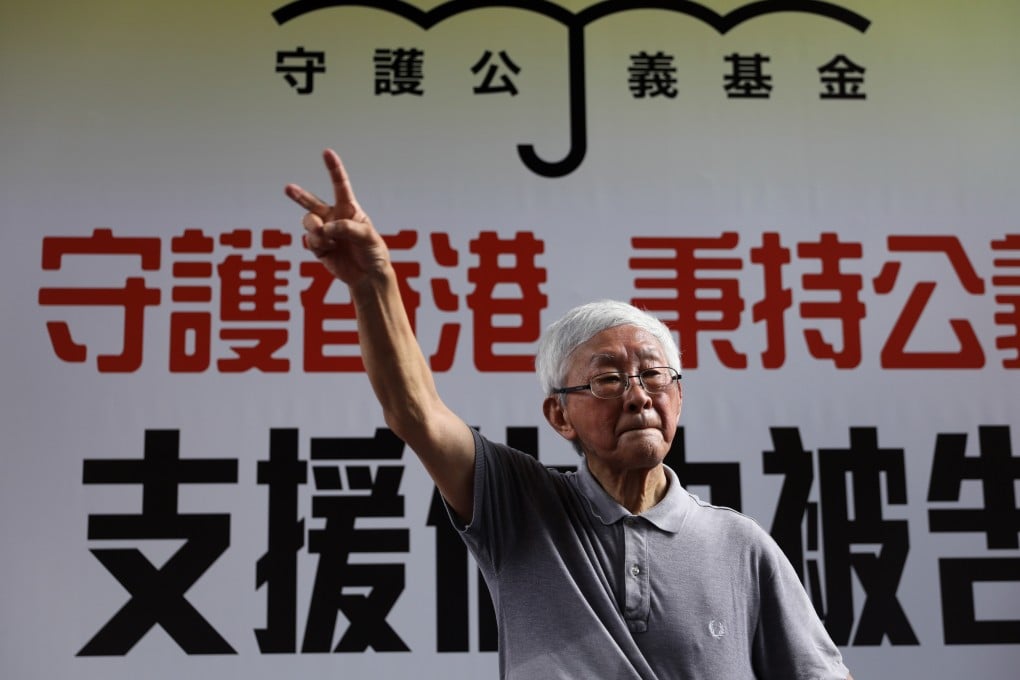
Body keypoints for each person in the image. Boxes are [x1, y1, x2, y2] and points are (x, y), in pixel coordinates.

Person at [285, 149, 852, 680]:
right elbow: (416, 413)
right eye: (607, 379)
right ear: (560, 415)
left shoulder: (739, 545)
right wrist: (373, 284)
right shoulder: (521, 505)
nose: (637, 395)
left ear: (678, 394)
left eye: (654, 375)